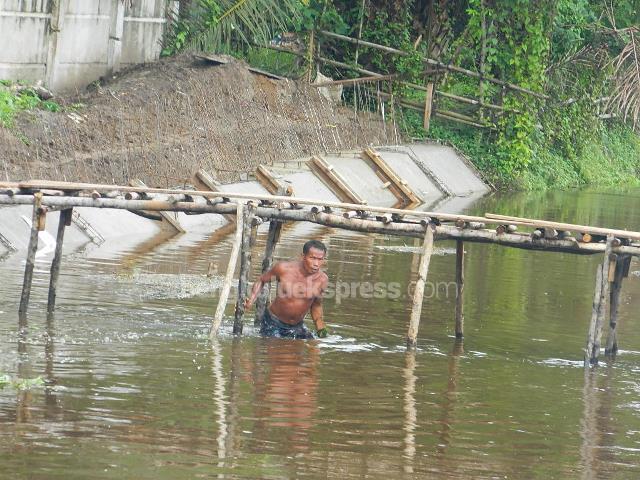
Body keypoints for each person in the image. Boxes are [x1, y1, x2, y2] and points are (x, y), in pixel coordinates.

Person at [244, 239, 329, 339]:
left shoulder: (322, 279)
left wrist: (322, 331)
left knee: (312, 347)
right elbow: (262, 280)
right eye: (313, 258)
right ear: (302, 256)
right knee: (281, 352)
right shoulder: (283, 269)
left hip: (297, 326)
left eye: (320, 259)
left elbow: (316, 305)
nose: (316, 264)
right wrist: (251, 300)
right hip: (273, 322)